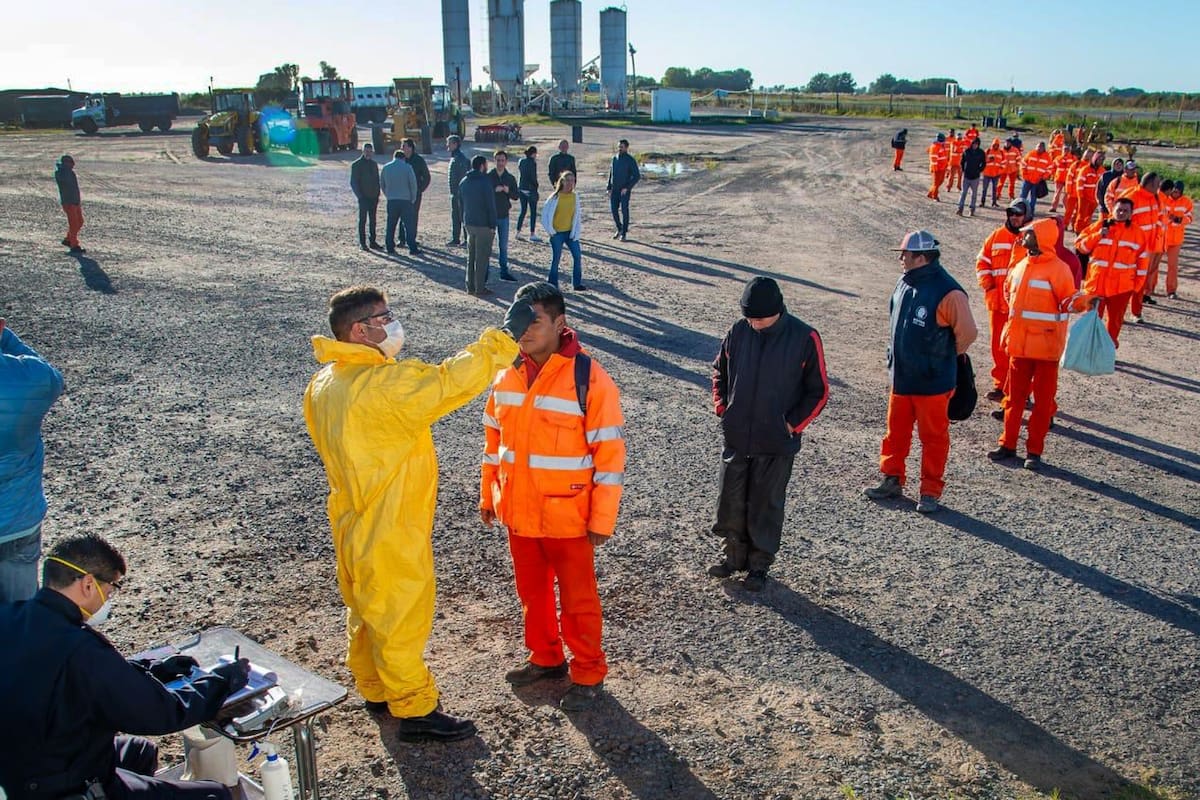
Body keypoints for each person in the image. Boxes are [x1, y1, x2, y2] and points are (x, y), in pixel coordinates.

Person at [304, 285, 535, 742]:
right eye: (383, 317)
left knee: (366, 607)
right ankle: (413, 708)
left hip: (351, 514)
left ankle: (375, 688)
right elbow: (450, 381)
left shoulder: (326, 382)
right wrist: (503, 338)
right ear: (358, 330)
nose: (392, 323)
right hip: (389, 519)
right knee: (399, 611)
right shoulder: (383, 385)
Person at [0, 533, 252, 799]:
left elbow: (81, 679)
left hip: (20, 768)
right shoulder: (80, 649)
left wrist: (153, 669)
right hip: (66, 787)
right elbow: (159, 713)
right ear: (87, 584)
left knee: (138, 752)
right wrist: (221, 682)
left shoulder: (12, 618)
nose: (107, 602)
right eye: (109, 591)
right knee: (215, 795)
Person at [480, 281, 625, 711]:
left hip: (569, 517)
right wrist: (490, 494)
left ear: (560, 324)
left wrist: (601, 520)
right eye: (517, 320)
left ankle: (588, 671)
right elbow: (494, 440)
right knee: (533, 594)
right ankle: (546, 659)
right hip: (519, 514)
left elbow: (611, 455)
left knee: (579, 600)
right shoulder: (505, 373)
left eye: (534, 320)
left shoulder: (589, 377)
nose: (522, 330)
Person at [708, 277, 829, 591]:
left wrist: (790, 425)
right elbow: (719, 371)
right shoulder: (738, 331)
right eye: (748, 317)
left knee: (766, 504)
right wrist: (723, 407)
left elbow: (819, 392)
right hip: (737, 435)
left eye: (758, 318)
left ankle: (759, 565)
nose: (753, 322)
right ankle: (733, 556)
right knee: (731, 500)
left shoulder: (804, 337)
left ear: (777, 311)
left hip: (776, 442)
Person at [864, 231, 977, 514]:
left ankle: (930, 491)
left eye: (905, 254)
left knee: (934, 438)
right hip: (902, 378)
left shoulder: (949, 292)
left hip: (932, 383)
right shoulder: (904, 283)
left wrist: (939, 360)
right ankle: (892, 478)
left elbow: (967, 334)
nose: (901, 259)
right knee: (895, 433)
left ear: (922, 258)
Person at [988, 219, 1089, 471]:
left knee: (1042, 404)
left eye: (1029, 233)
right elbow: (1009, 297)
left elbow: (1068, 300)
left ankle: (1034, 451)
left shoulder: (1058, 269)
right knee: (1013, 399)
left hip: (1044, 350)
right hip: (1020, 348)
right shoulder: (1021, 265)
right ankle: (1008, 444)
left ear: (1041, 238)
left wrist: (1084, 302)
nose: (1023, 236)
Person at [0, 320, 64, 603]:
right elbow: (51, 376)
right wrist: (5, 338)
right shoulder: (30, 378)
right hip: (19, 520)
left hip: (21, 518)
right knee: (22, 615)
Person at [1074, 196, 1148, 347]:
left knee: (1114, 324)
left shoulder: (1138, 234)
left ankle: (1107, 351)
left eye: (1125, 211)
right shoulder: (1099, 226)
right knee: (1091, 320)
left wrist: (1137, 286)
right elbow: (1081, 247)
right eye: (1119, 210)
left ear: (1131, 213)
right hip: (1096, 284)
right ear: (1112, 210)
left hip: (1121, 288)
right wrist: (1098, 235)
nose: (1121, 213)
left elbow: (1143, 261)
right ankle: (1088, 350)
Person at [975, 200, 1030, 401]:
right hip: (997, 304)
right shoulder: (996, 236)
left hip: (1020, 306)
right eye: (1011, 213)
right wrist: (987, 283)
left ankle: (1020, 388)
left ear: (1026, 215)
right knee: (998, 347)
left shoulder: (1031, 238)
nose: (1015, 217)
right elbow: (982, 261)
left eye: (1019, 213)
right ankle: (1000, 385)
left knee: (1019, 350)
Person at [1125, 172, 1166, 322]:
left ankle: (1136, 312)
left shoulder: (1156, 198)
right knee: (1124, 281)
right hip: (1130, 248)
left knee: (1140, 281)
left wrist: (1156, 239)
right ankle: (1118, 311)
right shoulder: (1131, 196)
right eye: (1157, 183)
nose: (1159, 186)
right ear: (1150, 184)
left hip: (1146, 249)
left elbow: (1160, 218)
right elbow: (1121, 221)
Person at [460, 154, 498, 296]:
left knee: (471, 256)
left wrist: (463, 220)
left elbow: (460, 204)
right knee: (481, 258)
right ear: (482, 166)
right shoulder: (485, 182)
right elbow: (490, 205)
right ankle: (479, 288)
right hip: (483, 224)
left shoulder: (464, 181)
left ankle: (470, 286)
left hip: (469, 222)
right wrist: (493, 225)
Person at [541, 172, 585, 291]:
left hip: (570, 233)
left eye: (573, 180)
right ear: (563, 181)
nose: (570, 183)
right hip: (557, 233)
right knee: (556, 258)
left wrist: (576, 232)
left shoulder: (575, 196)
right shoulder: (554, 197)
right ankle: (552, 284)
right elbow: (544, 216)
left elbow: (577, 216)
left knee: (577, 256)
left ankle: (577, 283)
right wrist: (551, 231)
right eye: (568, 180)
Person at [380, 148, 420, 256]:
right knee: (408, 225)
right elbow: (413, 185)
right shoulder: (407, 168)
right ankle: (412, 247)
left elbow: (382, 184)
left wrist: (387, 195)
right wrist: (413, 198)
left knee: (391, 224)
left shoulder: (386, 167)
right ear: (403, 158)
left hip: (392, 200)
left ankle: (389, 246)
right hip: (405, 200)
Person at [489, 150, 520, 282]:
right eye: (498, 160)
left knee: (503, 245)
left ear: (506, 161)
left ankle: (504, 271)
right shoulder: (489, 176)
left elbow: (516, 196)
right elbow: (482, 194)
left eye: (503, 160)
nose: (500, 163)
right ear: (494, 161)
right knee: (487, 245)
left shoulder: (510, 178)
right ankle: (485, 272)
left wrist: (508, 191)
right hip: (490, 215)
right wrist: (493, 191)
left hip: (504, 215)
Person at [1162, 180, 1192, 299]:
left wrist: (1179, 220)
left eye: (1177, 191)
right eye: (1173, 190)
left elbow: (1189, 217)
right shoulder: (1163, 199)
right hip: (1163, 237)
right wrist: (1170, 218)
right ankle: (1149, 290)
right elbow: (1160, 215)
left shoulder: (1186, 201)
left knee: (1172, 266)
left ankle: (1171, 290)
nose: (1175, 192)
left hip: (1176, 239)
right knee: (1153, 265)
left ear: (1181, 192)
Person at [350, 143, 382, 251]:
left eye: (370, 151)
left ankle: (373, 241)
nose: (368, 153)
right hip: (363, 197)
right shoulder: (356, 165)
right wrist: (360, 196)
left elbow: (377, 180)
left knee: (373, 220)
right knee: (362, 220)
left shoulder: (374, 164)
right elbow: (354, 182)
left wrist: (377, 193)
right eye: (366, 151)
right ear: (362, 151)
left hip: (373, 197)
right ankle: (362, 243)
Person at [606, 138, 640, 240]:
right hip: (614, 190)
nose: (619, 149)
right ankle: (619, 228)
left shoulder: (630, 160)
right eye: (618, 147)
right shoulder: (614, 159)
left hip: (624, 191)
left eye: (621, 147)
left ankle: (624, 232)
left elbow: (637, 176)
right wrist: (609, 187)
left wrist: (627, 188)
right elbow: (611, 174)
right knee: (613, 210)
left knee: (624, 211)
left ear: (626, 148)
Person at [401, 138, 431, 246]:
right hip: (403, 193)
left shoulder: (419, 160)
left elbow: (427, 177)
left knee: (413, 216)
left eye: (404, 146)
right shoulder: (401, 159)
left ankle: (412, 238)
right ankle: (402, 239)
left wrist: (420, 190)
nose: (402, 148)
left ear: (410, 147)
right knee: (402, 216)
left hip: (415, 194)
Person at [55, 154, 85, 254]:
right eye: (70, 163)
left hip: (75, 201)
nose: (72, 165)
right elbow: (65, 181)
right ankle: (74, 245)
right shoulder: (61, 173)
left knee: (80, 222)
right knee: (74, 224)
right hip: (68, 202)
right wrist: (64, 168)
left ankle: (68, 239)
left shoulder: (70, 172)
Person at [446, 134, 470, 246]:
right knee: (456, 216)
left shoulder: (460, 159)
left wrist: (459, 192)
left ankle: (466, 239)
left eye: (449, 143)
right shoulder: (456, 158)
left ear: (455, 144)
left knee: (462, 216)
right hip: (455, 193)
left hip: (460, 193)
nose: (447, 145)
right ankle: (456, 238)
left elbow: (462, 177)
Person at [515, 145, 542, 242]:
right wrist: (536, 186)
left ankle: (518, 232)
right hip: (530, 190)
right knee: (533, 212)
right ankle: (532, 233)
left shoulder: (521, 161)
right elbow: (533, 177)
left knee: (523, 211)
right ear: (533, 153)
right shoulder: (532, 163)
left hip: (522, 188)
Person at [1073, 151, 1104, 232]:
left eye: (1102, 159)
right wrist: (1081, 195)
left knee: (1089, 217)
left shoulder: (1102, 170)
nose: (1101, 161)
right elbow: (1080, 182)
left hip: (1094, 198)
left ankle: (1085, 231)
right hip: (1084, 197)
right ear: (1095, 159)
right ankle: (1078, 231)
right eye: (1099, 159)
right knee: (1081, 216)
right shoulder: (1085, 169)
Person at [1019, 142, 1053, 216]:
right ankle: (1020, 209)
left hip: (1037, 181)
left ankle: (1030, 212)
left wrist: (1043, 178)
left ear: (1044, 148)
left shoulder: (1047, 157)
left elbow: (1049, 169)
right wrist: (1024, 175)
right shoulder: (1030, 154)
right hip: (1027, 179)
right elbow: (1023, 164)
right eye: (1038, 147)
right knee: (1023, 196)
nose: (1039, 148)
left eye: (1040, 147)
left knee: (1033, 198)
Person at [956, 137, 986, 217]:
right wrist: (963, 169)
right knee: (963, 193)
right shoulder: (967, 151)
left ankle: (972, 210)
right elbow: (962, 161)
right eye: (974, 143)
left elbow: (984, 163)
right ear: (971, 143)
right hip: (966, 176)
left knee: (974, 194)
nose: (975, 145)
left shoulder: (981, 153)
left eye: (976, 144)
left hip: (975, 177)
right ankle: (960, 209)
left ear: (978, 145)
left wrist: (979, 170)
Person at [1048, 145, 1078, 214]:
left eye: (1067, 149)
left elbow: (1076, 169)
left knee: (1067, 195)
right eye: (1064, 149)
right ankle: (1053, 207)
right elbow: (1053, 167)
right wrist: (1053, 175)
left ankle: (1067, 209)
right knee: (1057, 194)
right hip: (1059, 179)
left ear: (1069, 150)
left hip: (1069, 180)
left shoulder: (1073, 159)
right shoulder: (1058, 158)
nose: (1066, 151)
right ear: (1062, 150)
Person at [982, 138, 1005, 207]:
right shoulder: (988, 151)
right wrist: (989, 160)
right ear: (992, 144)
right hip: (987, 173)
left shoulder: (1001, 152)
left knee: (995, 189)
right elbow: (982, 161)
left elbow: (1003, 163)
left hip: (996, 174)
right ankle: (983, 202)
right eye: (994, 145)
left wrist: (1000, 172)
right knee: (984, 189)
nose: (996, 146)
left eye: (997, 145)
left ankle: (994, 202)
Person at [926, 134, 948, 201]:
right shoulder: (934, 147)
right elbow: (933, 159)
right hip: (937, 169)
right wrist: (935, 168)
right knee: (936, 183)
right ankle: (934, 196)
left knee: (940, 181)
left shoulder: (941, 146)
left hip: (942, 168)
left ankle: (930, 193)